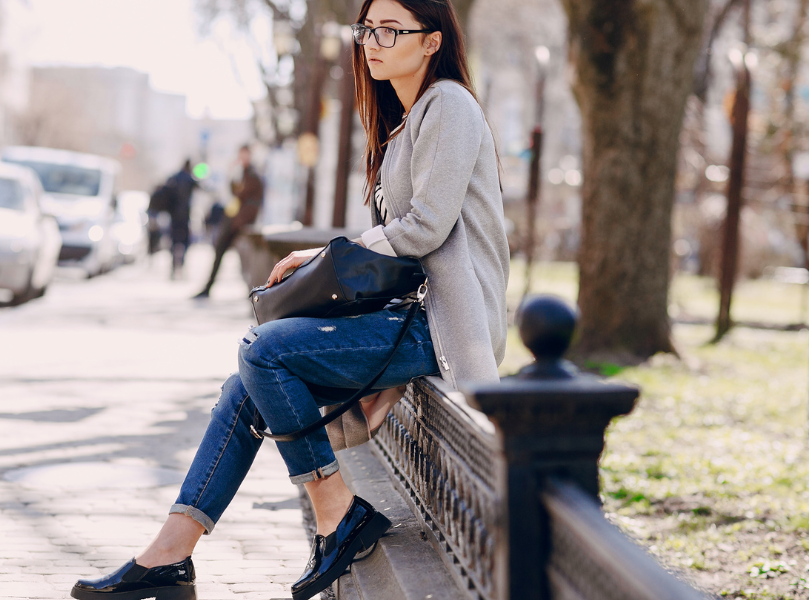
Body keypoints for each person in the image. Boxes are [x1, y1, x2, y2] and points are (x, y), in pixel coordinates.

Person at [69, 1, 509, 599]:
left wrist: (326, 255)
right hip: (409, 318)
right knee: (246, 380)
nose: (372, 42)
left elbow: (425, 228)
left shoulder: (450, 106)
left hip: (445, 325)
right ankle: (171, 553)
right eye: (367, 29)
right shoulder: (408, 118)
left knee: (264, 350)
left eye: (390, 30)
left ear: (431, 42)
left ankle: (335, 509)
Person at [193, 145, 263, 299]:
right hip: (233, 220)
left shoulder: (253, 175)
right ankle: (208, 287)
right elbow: (234, 192)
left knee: (245, 259)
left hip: (241, 223)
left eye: (245, 155)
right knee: (220, 252)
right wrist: (232, 172)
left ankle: (254, 293)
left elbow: (251, 200)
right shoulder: (242, 173)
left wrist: (243, 220)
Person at [167, 160, 198, 279]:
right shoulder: (190, 179)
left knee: (174, 242)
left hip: (174, 216)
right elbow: (202, 187)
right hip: (185, 216)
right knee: (185, 242)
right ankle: (182, 266)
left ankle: (173, 267)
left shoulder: (174, 178)